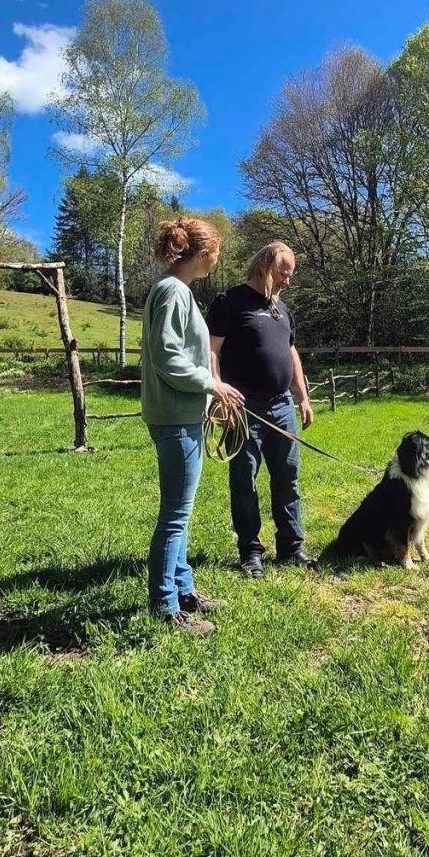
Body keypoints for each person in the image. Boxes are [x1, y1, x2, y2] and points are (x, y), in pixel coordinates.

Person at [141, 217, 244, 635]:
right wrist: (212, 385)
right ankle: (165, 606)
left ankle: (183, 591)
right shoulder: (172, 291)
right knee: (175, 515)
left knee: (180, 513)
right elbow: (168, 357)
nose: (217, 260)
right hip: (175, 416)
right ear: (203, 253)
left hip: (183, 413)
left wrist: (209, 391)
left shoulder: (176, 291)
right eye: (216, 252)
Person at [208, 241, 316, 578]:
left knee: (288, 478)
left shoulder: (281, 310)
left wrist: (302, 396)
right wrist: (218, 393)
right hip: (243, 408)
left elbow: (291, 353)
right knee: (245, 481)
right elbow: (211, 351)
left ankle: (291, 546)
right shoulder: (230, 302)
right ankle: (250, 552)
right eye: (285, 272)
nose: (288, 280)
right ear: (266, 266)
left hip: (282, 405)